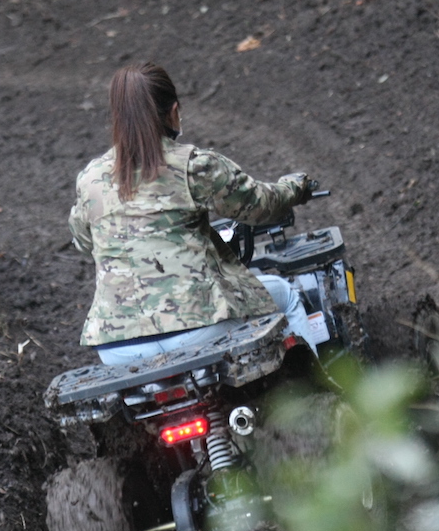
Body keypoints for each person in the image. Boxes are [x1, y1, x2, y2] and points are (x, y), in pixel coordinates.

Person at [69, 62, 318, 366]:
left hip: (116, 345)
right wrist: (296, 187)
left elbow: (84, 241)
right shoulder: (193, 166)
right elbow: (260, 206)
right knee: (286, 296)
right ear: (173, 111)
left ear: (118, 118)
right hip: (197, 325)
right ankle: (319, 387)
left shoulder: (91, 179)